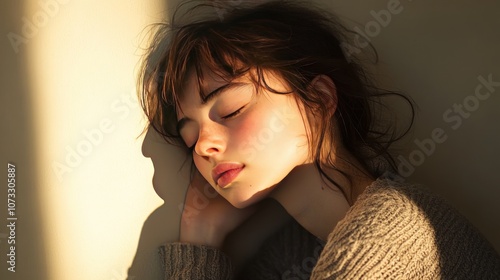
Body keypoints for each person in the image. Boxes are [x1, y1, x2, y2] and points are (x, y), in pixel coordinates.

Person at [138, 0, 500, 279]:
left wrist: (200, 247)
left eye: (231, 110)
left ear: (320, 100)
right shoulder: (294, 252)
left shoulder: (384, 241)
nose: (203, 147)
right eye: (190, 136)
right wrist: (201, 236)